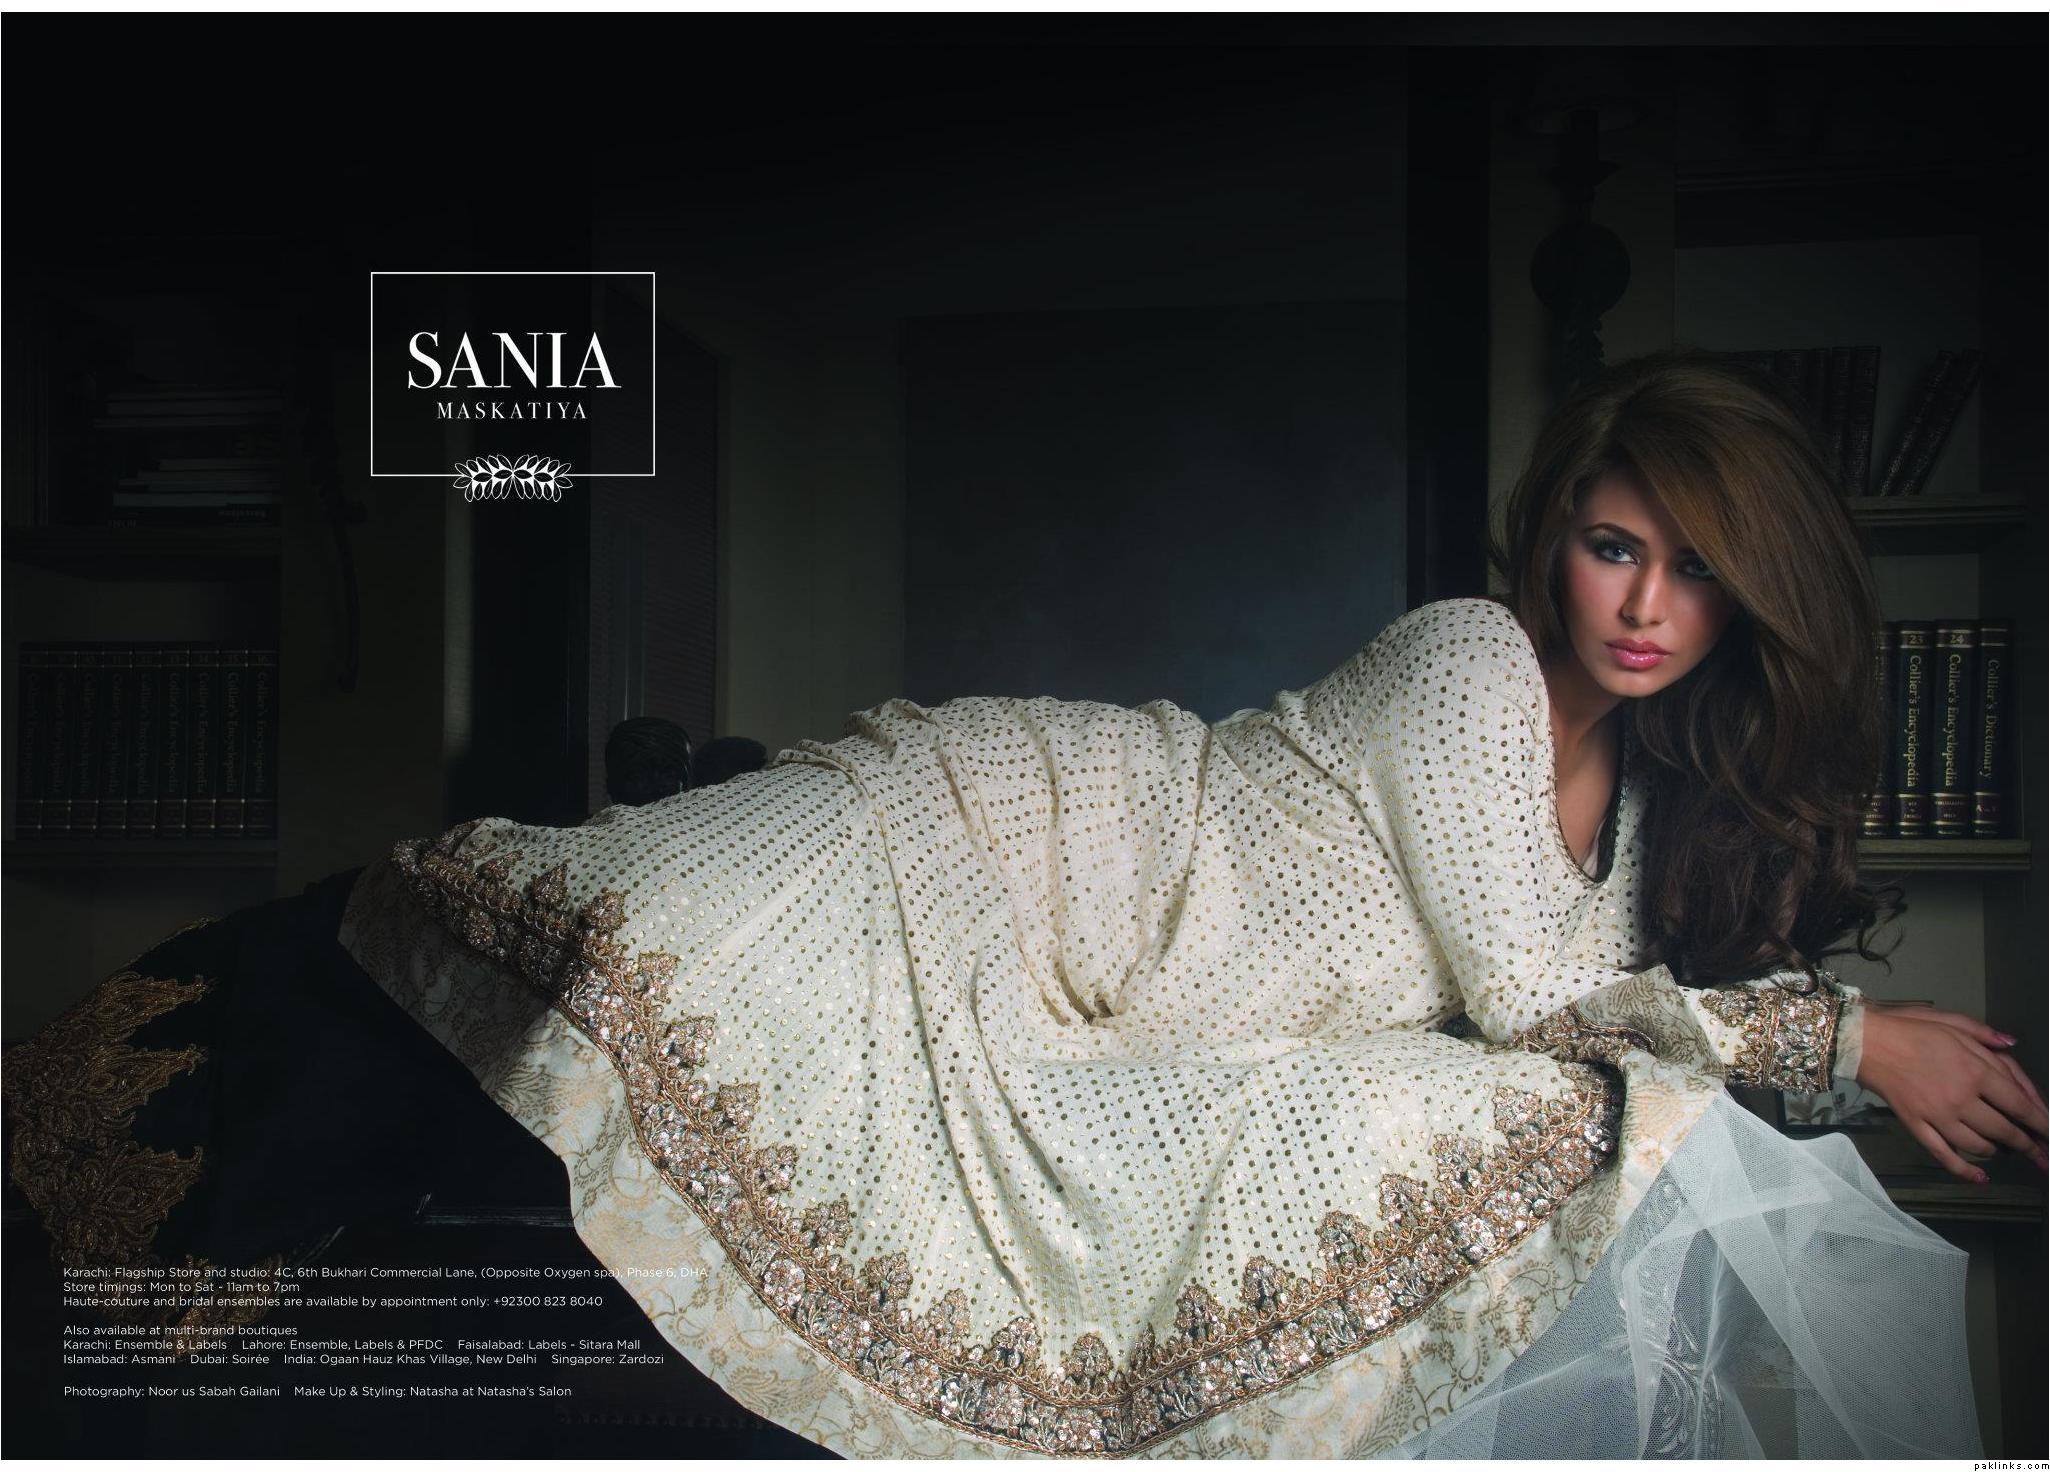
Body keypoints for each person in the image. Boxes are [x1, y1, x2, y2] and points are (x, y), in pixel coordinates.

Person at [14, 350, 2034, 1457]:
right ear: (1550, 542)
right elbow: (1521, 1005)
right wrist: (1852, 1042)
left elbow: (1577, 1043)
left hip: (1064, 1005)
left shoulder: (1638, 839)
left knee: (554, 1092)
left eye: (1693, 569)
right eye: (1610, 545)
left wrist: (1810, 1042)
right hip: (994, 840)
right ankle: (76, 1151)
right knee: (546, 966)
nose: (1644, 604)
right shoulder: (1468, 661)